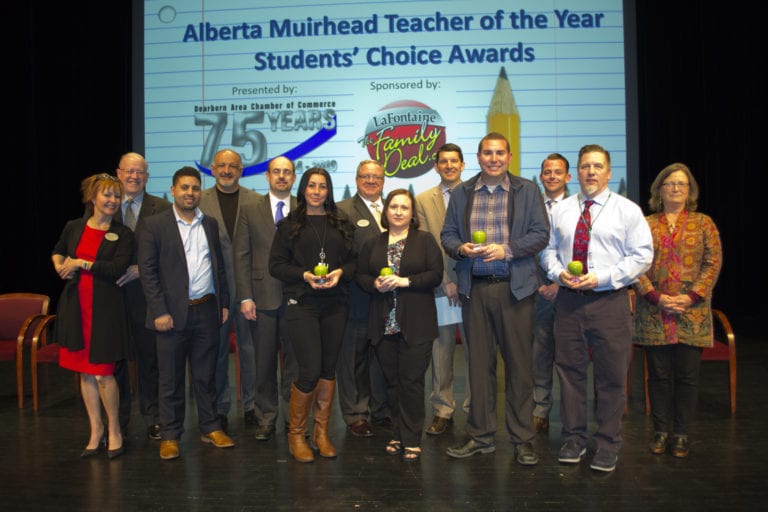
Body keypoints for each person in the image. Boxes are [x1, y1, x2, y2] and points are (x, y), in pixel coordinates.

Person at [540, 144, 653, 472]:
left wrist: (601, 278)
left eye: (597, 166)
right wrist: (556, 271)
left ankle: (607, 443)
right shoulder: (561, 210)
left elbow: (642, 256)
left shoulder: (627, 210)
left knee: (611, 378)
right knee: (570, 374)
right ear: (577, 172)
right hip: (569, 303)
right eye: (585, 166)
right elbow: (547, 250)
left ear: (609, 172)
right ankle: (574, 439)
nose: (590, 172)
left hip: (610, 303)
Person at [441, 132, 549, 466]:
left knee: (519, 366)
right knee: (478, 366)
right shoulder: (462, 192)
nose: (493, 158)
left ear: (510, 156)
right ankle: (481, 437)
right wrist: (462, 249)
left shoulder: (527, 190)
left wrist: (508, 250)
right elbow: (447, 236)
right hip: (475, 289)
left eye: (499, 153)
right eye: (487, 153)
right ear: (478, 156)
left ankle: (522, 439)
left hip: (515, 290)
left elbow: (540, 234)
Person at [137, 166, 235, 460]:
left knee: (206, 376)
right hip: (170, 314)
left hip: (206, 309)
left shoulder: (210, 223)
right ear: (173, 190)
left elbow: (218, 267)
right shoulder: (155, 225)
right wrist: (159, 311)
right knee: (170, 379)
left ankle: (210, 427)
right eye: (184, 188)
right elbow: (148, 272)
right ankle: (170, 435)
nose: (190, 193)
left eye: (195, 188)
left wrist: (225, 303)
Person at [633, 162, 722, 459]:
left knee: (687, 377)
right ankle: (660, 431)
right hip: (654, 310)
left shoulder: (704, 223)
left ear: (690, 191)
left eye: (682, 184)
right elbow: (636, 265)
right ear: (659, 190)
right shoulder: (645, 223)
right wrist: (656, 296)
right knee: (657, 376)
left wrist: (692, 295)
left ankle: (681, 433)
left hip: (691, 313)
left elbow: (712, 263)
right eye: (670, 183)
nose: (675, 188)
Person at [269, 167, 356, 463]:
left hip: (335, 303)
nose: (317, 191)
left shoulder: (342, 222)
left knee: (328, 369)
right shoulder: (289, 224)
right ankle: (296, 434)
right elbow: (276, 266)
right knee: (308, 369)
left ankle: (321, 433)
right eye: (311, 186)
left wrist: (342, 272)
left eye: (322, 186)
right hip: (302, 302)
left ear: (328, 190)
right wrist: (304, 275)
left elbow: (355, 262)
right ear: (303, 189)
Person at [357, 189, 443, 461]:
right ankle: (398, 433)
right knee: (392, 383)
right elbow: (360, 275)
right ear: (386, 211)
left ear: (412, 214)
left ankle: (412, 438)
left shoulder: (425, 240)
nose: (397, 211)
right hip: (383, 324)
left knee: (412, 382)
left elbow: (435, 275)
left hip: (416, 323)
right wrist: (374, 284)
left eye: (404, 207)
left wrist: (404, 282)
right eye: (393, 206)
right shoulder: (373, 243)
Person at [52, 173, 134, 459]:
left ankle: (115, 430)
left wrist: (82, 263)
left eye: (116, 196)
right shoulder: (74, 227)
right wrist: (60, 266)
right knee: (85, 374)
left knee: (104, 375)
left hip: (106, 310)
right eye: (107, 195)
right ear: (93, 198)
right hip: (76, 307)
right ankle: (95, 430)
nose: (113, 201)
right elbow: (59, 251)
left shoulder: (123, 234)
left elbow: (116, 268)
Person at [233, 155, 299, 441]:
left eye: (287, 172)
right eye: (276, 172)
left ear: (294, 177)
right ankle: (266, 417)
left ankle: (293, 418)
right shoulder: (249, 209)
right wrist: (245, 296)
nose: (281, 176)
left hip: (298, 296)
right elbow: (241, 255)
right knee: (264, 363)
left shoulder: (304, 207)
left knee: (296, 363)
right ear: (267, 176)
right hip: (262, 298)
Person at [199, 148, 259, 431]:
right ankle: (220, 408)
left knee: (250, 351)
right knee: (218, 352)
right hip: (214, 292)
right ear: (212, 168)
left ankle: (251, 407)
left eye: (232, 166)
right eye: (221, 165)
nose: (226, 170)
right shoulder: (198, 200)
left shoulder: (256, 201)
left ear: (241, 170)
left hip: (249, 290)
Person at [114, 152, 171, 440]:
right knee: (115, 360)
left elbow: (172, 253)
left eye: (140, 172)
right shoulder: (104, 205)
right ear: (119, 173)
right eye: (129, 171)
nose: (134, 177)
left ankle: (153, 416)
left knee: (150, 361)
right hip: (110, 297)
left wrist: (141, 268)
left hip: (148, 298)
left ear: (147, 177)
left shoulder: (161, 208)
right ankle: (118, 420)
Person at [415, 143, 470, 436]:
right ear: (436, 166)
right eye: (443, 162)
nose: (449, 166)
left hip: (475, 285)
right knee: (441, 352)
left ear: (462, 165)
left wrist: (463, 281)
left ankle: (475, 410)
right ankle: (442, 410)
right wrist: (445, 281)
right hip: (441, 288)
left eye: (454, 161)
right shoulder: (423, 200)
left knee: (478, 351)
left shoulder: (477, 195)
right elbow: (428, 245)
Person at [337, 160, 392, 437]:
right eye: (365, 176)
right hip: (356, 296)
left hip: (389, 299)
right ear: (356, 179)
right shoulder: (343, 210)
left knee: (383, 356)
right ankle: (356, 413)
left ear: (384, 180)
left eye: (377, 177)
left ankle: (382, 409)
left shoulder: (392, 208)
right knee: (354, 358)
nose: (371, 181)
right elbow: (341, 254)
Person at [532, 153, 571, 434]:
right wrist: (537, 284)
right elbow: (521, 246)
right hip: (536, 291)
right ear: (542, 176)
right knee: (540, 353)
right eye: (547, 172)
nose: (552, 176)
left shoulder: (579, 208)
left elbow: (582, 250)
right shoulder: (531, 207)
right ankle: (540, 409)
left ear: (568, 177)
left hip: (570, 292)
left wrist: (560, 282)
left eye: (558, 172)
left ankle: (571, 412)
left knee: (571, 355)